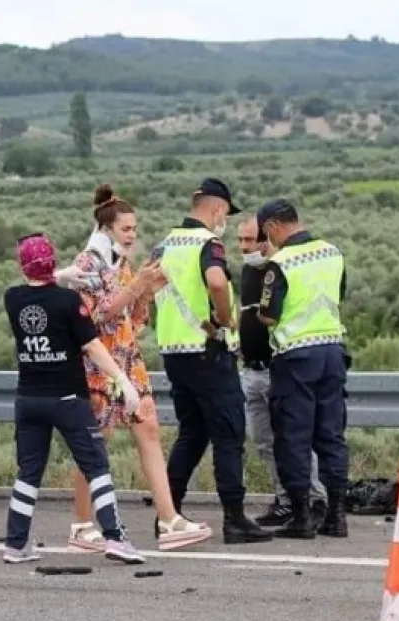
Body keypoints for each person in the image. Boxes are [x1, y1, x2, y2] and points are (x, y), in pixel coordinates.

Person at [65, 184, 213, 553]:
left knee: (149, 431)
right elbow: (96, 316)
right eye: (126, 229)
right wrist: (137, 288)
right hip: (98, 363)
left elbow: (135, 317)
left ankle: (169, 519)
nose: (133, 235)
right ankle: (82, 525)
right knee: (94, 444)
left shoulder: (123, 263)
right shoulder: (88, 263)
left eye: (134, 228)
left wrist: (147, 290)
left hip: (129, 360)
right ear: (107, 228)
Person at [1, 232, 145, 566]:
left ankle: (15, 543)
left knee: (28, 472)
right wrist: (122, 380)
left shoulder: (13, 299)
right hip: (67, 399)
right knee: (96, 466)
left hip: (29, 399)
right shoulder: (68, 304)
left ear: (23, 265)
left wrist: (58, 274)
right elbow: (92, 347)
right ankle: (114, 537)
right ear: (52, 260)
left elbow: (36, 283)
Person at [152, 178, 271, 544]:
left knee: (192, 432)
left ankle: (167, 514)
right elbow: (218, 283)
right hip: (209, 350)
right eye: (225, 213)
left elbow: (147, 285)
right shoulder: (208, 244)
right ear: (217, 209)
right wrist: (223, 319)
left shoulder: (165, 244)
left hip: (174, 352)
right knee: (228, 434)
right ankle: (234, 518)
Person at [255, 198, 349, 539]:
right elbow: (338, 295)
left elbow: (269, 315)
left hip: (295, 357)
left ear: (271, 228)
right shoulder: (332, 252)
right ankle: (337, 516)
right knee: (331, 435)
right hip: (332, 352)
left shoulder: (279, 263)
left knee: (293, 437)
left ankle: (302, 517)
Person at [236, 215, 328, 528]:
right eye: (241, 241)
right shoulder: (249, 273)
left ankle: (313, 500)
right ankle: (285, 500)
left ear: (268, 238)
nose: (245, 247)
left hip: (279, 368)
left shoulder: (282, 269)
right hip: (251, 369)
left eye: (251, 240)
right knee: (263, 441)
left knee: (292, 439)